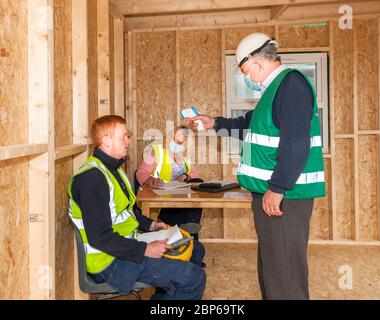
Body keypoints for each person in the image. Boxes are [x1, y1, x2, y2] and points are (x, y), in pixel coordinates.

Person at [188, 33, 326, 300]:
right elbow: (248, 125)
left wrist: (278, 187)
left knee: (285, 276)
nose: (245, 78)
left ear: (257, 62)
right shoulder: (273, 91)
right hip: (272, 197)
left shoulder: (290, 85)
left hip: (285, 198)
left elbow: (297, 142)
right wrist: (213, 123)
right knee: (273, 271)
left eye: (244, 71)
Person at [68, 115, 205, 300]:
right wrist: (146, 249)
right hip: (109, 262)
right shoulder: (92, 178)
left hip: (126, 244)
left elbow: (127, 211)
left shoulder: (114, 170)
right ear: (106, 140)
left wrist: (152, 225)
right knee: (194, 278)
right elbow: (100, 238)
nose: (128, 140)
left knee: (195, 248)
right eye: (124, 136)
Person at [136, 125, 203, 239]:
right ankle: (187, 228)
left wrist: (185, 175)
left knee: (199, 182)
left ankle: (189, 224)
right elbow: (140, 172)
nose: (178, 145)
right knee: (185, 223)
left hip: (180, 200)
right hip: (161, 200)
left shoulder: (185, 157)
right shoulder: (156, 152)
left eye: (182, 143)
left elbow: (196, 177)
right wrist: (152, 180)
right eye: (176, 141)